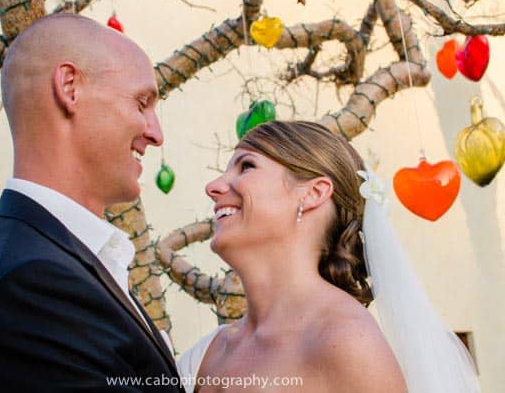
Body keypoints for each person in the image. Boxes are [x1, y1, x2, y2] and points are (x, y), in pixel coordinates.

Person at [0, 14, 184, 393]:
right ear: (70, 87)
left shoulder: (53, 261)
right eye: (141, 103)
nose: (156, 134)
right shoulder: (31, 283)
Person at [178, 121, 480, 392]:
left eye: (246, 166)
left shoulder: (348, 343)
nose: (213, 187)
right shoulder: (210, 351)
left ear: (313, 193)